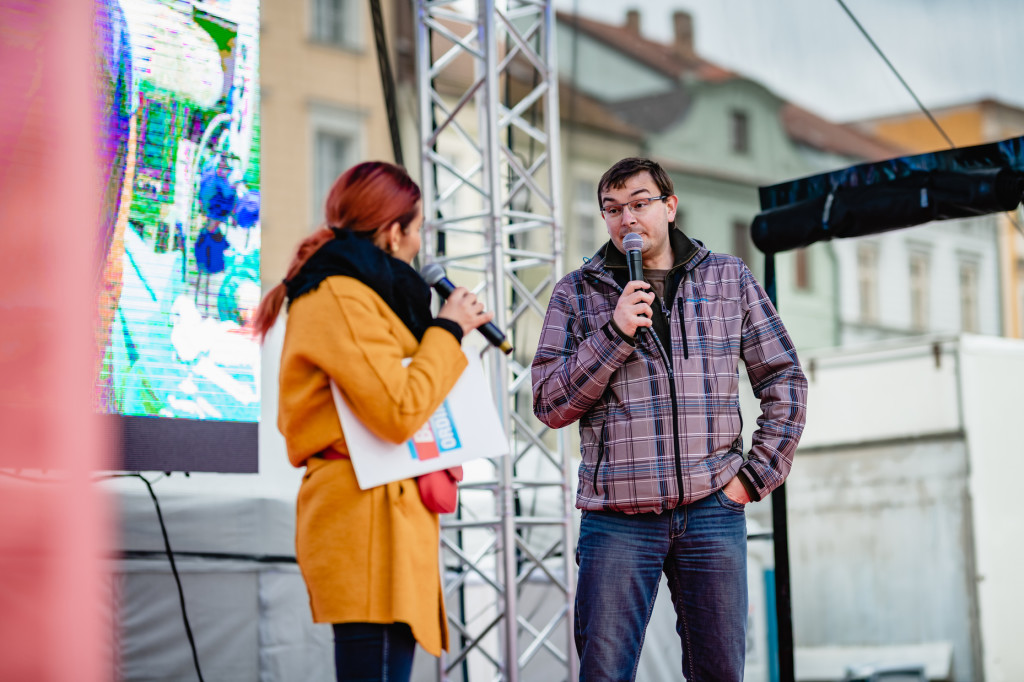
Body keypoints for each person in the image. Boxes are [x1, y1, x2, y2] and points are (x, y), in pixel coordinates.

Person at [531, 157, 808, 681]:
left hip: (713, 509)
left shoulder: (728, 277)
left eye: (639, 204)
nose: (626, 220)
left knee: (720, 672)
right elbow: (548, 402)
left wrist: (752, 479)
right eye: (612, 210)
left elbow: (783, 379)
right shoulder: (577, 292)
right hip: (617, 517)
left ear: (670, 207)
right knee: (605, 672)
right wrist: (612, 335)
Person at [253, 161, 494, 682]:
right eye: (417, 230)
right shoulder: (340, 295)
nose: (418, 245)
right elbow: (396, 410)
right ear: (392, 231)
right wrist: (447, 330)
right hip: (364, 516)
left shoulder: (363, 292)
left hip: (384, 509)